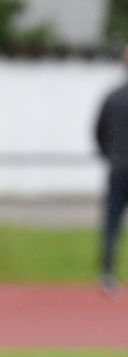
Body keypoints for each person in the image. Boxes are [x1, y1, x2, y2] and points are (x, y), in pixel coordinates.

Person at [96, 45, 128, 292]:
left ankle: (107, 273)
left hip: (117, 168)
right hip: (118, 167)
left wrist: (112, 155)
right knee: (112, 222)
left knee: (112, 223)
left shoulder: (113, 96)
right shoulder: (113, 96)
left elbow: (99, 132)